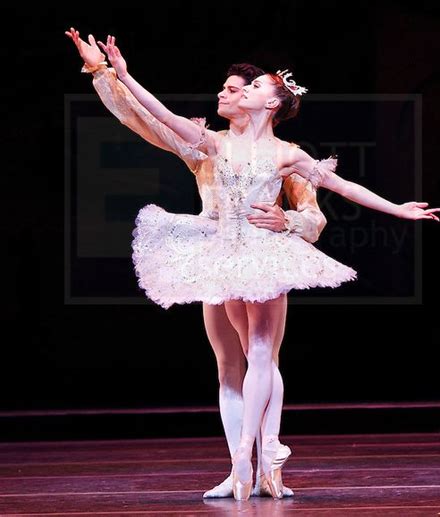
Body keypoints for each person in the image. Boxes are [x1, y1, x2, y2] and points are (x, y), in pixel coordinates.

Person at [66, 28, 328, 498]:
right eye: (228, 89)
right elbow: (144, 119)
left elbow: (314, 215)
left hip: (258, 255)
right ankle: (238, 468)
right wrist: (102, 71)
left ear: (258, 99)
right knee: (228, 363)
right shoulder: (207, 145)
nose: (226, 94)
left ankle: (270, 465)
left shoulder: (284, 156)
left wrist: (286, 219)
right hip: (213, 253)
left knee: (262, 356)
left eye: (235, 89)